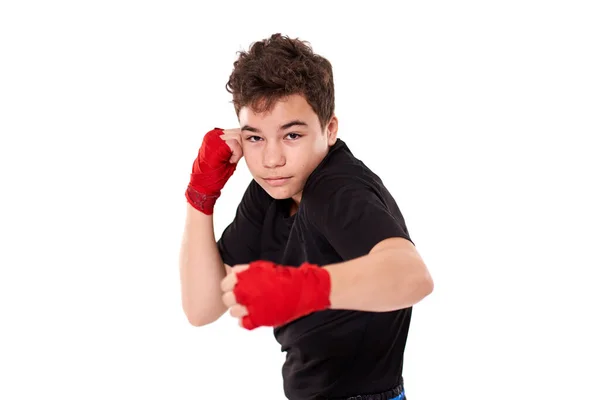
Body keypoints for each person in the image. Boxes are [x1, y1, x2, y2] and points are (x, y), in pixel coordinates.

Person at [179, 33, 434, 400]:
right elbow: (202, 307)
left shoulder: (337, 190)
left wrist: (302, 288)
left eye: (292, 135)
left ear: (329, 129)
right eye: (254, 138)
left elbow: (414, 277)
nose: (271, 159)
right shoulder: (270, 192)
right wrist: (200, 196)